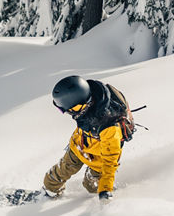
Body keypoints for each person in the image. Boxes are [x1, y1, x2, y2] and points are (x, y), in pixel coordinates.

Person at [43, 75, 131, 203]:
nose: (66, 113)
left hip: (99, 159)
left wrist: (105, 189)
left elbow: (110, 160)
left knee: (91, 186)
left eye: (66, 110)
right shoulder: (88, 106)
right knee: (58, 174)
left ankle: (105, 188)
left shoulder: (109, 126)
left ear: (78, 106)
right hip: (79, 146)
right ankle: (48, 192)